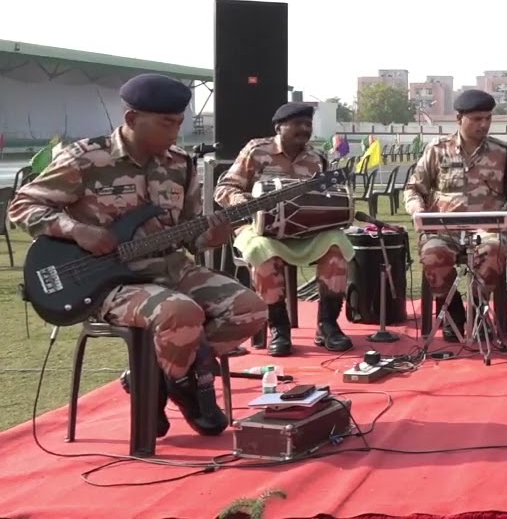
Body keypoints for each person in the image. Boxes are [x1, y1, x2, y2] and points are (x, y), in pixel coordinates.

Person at [6, 74, 266, 438]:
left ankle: (160, 379)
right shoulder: (87, 158)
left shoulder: (181, 164)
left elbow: (195, 232)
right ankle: (183, 385)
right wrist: (77, 230)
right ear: (131, 119)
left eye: (179, 122)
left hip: (172, 270)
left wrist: (216, 231)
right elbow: (22, 206)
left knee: (250, 309)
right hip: (105, 281)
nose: (176, 132)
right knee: (180, 312)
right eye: (166, 123)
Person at [214, 102, 355, 357]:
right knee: (262, 251)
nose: (304, 129)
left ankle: (328, 325)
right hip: (260, 230)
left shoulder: (317, 158)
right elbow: (224, 189)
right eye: (297, 124)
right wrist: (239, 200)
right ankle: (279, 327)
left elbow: (329, 196)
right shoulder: (256, 151)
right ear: (279, 127)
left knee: (337, 245)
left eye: (308, 124)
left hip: (305, 233)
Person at [402, 89, 507, 341]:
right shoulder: (437, 150)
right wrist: (417, 211)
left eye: (488, 118)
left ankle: (478, 310)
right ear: (459, 119)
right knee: (432, 255)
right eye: (476, 119)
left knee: (494, 250)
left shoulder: (503, 153)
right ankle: (454, 313)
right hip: (443, 230)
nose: (483, 124)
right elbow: (414, 188)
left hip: (487, 230)